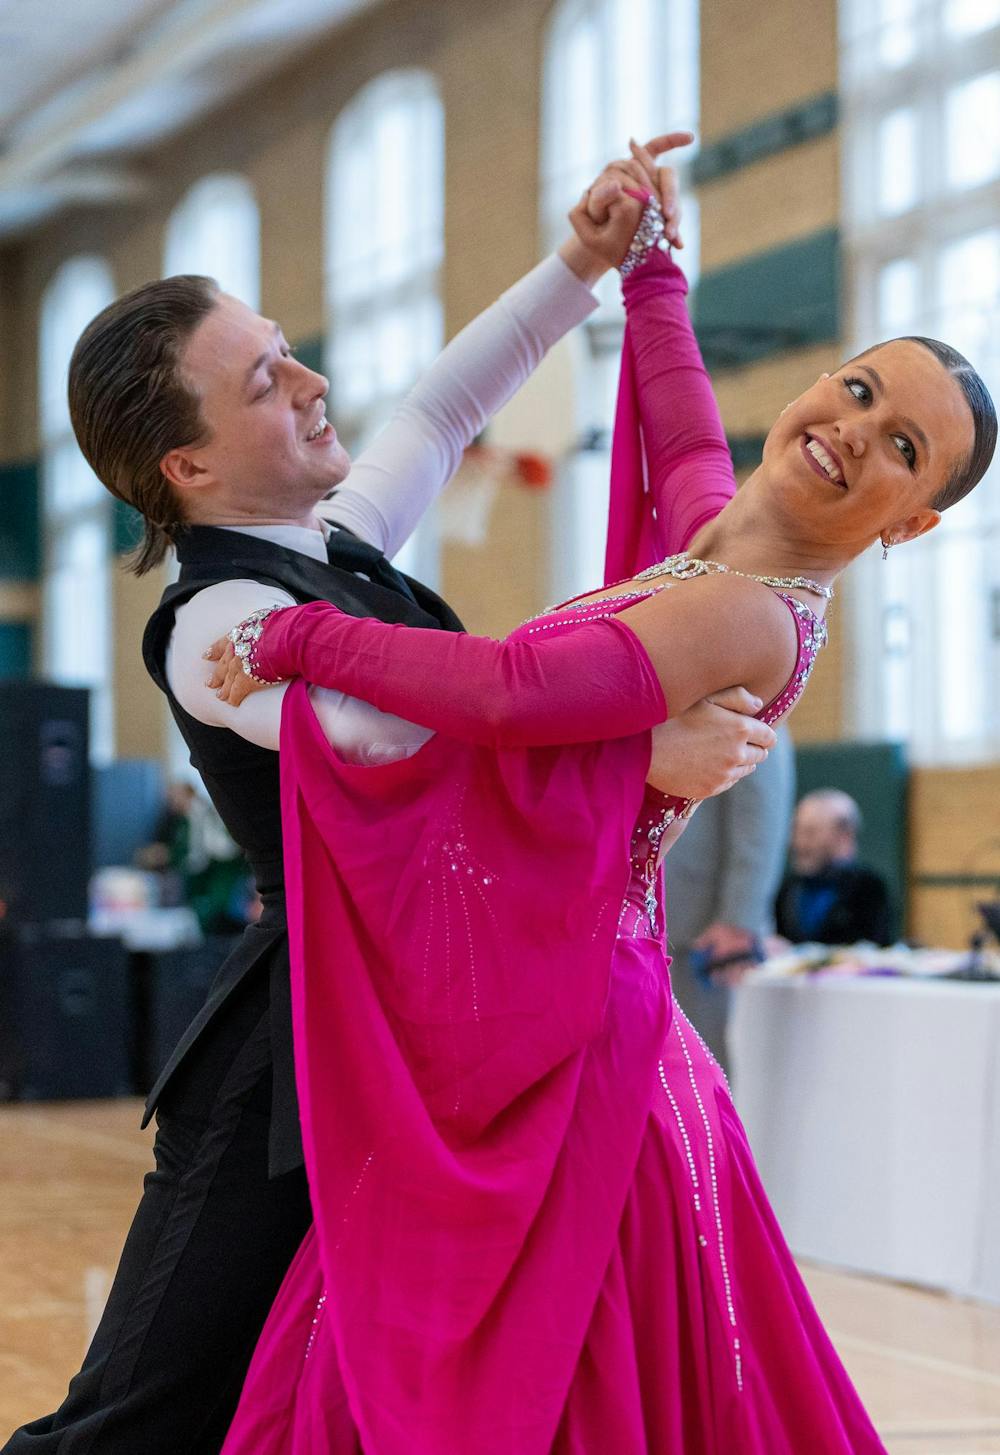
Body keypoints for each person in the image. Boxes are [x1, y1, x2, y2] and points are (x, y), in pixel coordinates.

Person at [202, 139, 994, 1451]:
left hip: (574, 1043)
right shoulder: (717, 542)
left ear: (910, 522)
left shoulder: (748, 612)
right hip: (539, 997)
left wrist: (303, 635)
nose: (853, 429)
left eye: (901, 444)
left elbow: (517, 692)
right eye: (855, 388)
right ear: (815, 382)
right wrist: (651, 264)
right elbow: (683, 422)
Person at [3, 145, 771, 1455]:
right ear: (187, 467)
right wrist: (640, 748)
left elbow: (444, 409)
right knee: (147, 1412)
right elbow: (419, 740)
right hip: (290, 1062)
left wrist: (584, 260)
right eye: (265, 380)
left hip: (420, 1033)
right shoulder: (220, 623)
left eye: (287, 351)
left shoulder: (335, 550)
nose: (310, 382)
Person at [664, 726, 795, 1072]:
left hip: (703, 928)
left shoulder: (757, 706)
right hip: (649, 917)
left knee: (699, 1064)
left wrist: (739, 919)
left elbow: (761, 816)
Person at [775, 787, 894, 946]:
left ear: (844, 836)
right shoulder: (787, 889)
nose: (799, 843)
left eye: (810, 833)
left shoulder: (869, 889)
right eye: (796, 831)